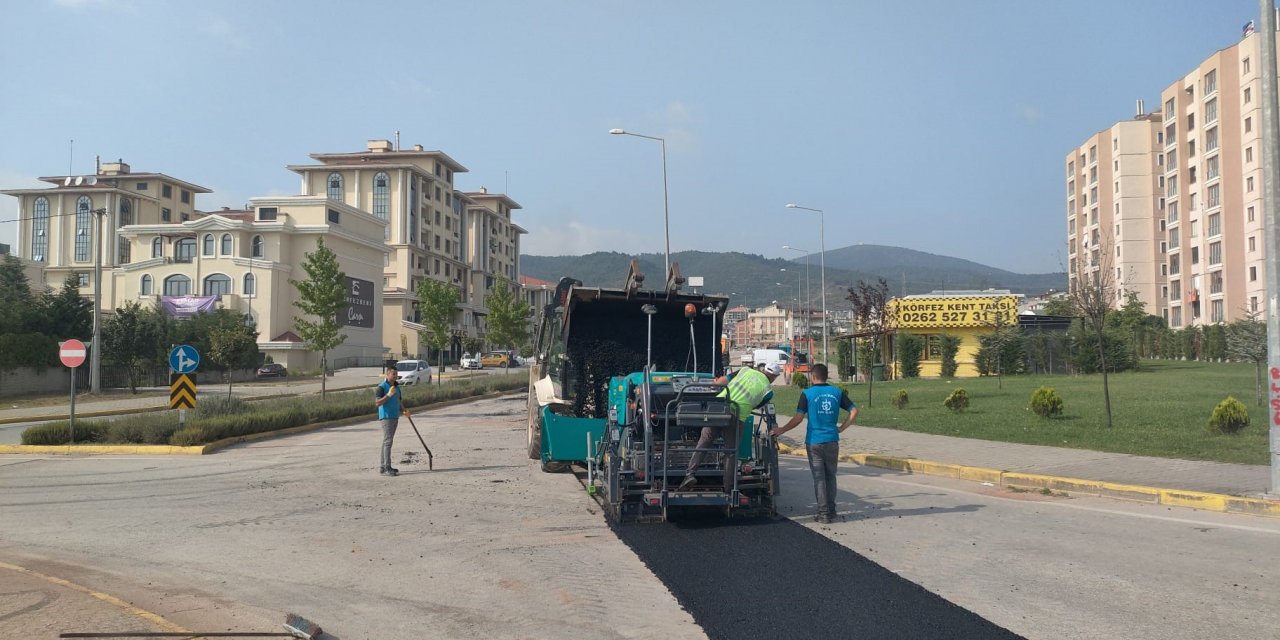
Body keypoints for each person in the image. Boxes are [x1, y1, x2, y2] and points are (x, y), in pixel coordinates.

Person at [771, 363, 857, 524]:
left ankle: (823, 513)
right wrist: (842, 428)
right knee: (831, 476)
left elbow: (798, 418)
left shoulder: (807, 393)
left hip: (814, 442)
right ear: (826, 376)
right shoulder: (837, 392)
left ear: (813, 376)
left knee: (819, 478)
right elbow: (854, 411)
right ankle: (831, 510)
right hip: (832, 440)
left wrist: (781, 430)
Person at [679, 361, 782, 491]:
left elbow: (723, 380)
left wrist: (714, 384)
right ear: (775, 377)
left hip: (719, 406)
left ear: (763, 369)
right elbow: (755, 405)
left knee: (705, 440)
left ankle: (690, 473)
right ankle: (728, 488)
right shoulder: (768, 391)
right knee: (731, 452)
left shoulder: (745, 370)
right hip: (737, 416)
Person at [373, 365, 405, 476]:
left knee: (387, 441)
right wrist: (388, 394)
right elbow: (377, 403)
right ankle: (387, 467)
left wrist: (404, 410)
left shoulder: (397, 386)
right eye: (393, 374)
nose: (395, 376)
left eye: (396, 374)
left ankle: (383, 467)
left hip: (395, 416)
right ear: (388, 374)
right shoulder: (381, 387)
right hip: (386, 417)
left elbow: (399, 400)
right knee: (388, 442)